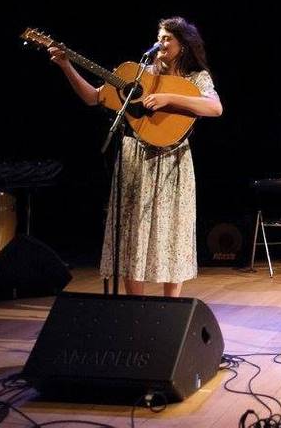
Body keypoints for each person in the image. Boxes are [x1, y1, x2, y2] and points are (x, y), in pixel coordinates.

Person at [49, 16, 223, 298]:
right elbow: (94, 97)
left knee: (171, 231)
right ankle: (135, 305)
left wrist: (169, 98)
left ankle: (171, 307)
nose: (161, 42)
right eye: (160, 36)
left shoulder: (196, 77)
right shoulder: (138, 73)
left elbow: (215, 108)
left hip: (174, 161)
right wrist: (66, 65)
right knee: (133, 232)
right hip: (135, 159)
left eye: (168, 38)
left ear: (183, 44)